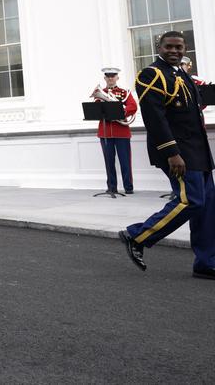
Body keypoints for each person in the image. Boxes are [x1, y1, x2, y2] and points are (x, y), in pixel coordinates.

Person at [119, 31, 215, 279]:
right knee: (190, 201)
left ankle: (206, 262)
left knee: (207, 207)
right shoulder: (151, 74)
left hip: (198, 151)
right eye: (169, 47)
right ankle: (137, 236)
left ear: (185, 49)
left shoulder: (182, 73)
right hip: (178, 152)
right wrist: (171, 152)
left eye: (179, 47)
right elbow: (154, 118)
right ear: (159, 48)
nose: (174, 51)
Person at [90, 67, 138, 195]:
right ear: (105, 78)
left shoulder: (124, 92)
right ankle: (112, 187)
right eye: (108, 76)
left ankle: (128, 187)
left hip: (121, 131)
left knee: (125, 161)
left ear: (117, 77)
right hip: (105, 132)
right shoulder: (100, 93)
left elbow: (133, 106)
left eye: (113, 76)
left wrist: (120, 112)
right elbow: (96, 109)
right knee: (109, 161)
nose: (110, 78)